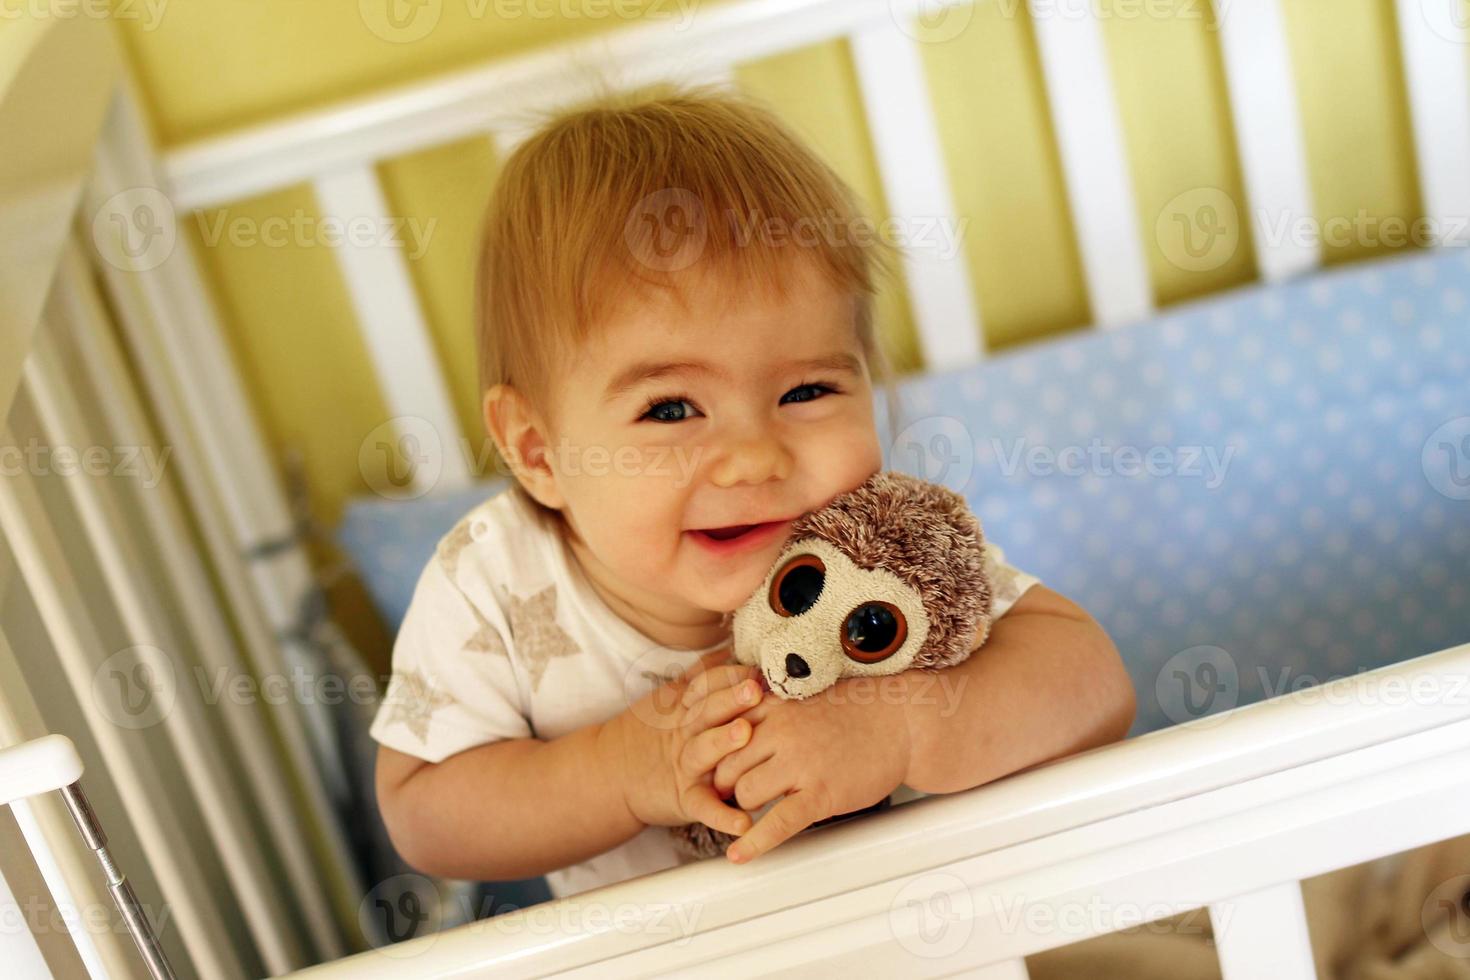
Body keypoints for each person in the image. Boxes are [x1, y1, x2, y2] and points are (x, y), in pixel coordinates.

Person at [369, 86, 1135, 904]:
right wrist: (619, 773)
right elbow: (424, 810)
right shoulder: (492, 580)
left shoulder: (869, 543)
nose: (752, 459)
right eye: (670, 409)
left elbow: (1091, 683)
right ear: (536, 449)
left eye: (807, 391)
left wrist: (904, 727)